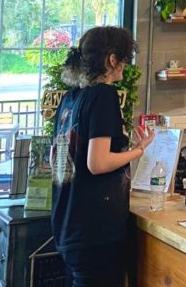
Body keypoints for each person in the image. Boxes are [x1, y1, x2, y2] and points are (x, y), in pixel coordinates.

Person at [51, 25, 154, 287]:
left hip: (68, 222)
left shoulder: (71, 98)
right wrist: (137, 151)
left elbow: (61, 159)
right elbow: (97, 163)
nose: (125, 66)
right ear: (111, 59)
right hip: (96, 229)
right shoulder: (104, 96)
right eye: (123, 58)